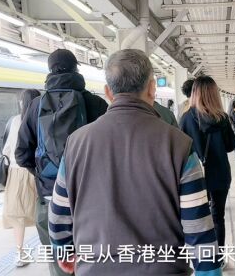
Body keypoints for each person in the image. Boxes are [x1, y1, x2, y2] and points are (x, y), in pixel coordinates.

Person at [48, 49, 222, 275]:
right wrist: (209, 272)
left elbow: (58, 216)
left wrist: (64, 250)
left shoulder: (76, 144)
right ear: (151, 88)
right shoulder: (179, 145)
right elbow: (198, 227)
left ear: (108, 92)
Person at [16, 49, 108, 276]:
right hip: (91, 197)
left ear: (49, 70)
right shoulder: (95, 103)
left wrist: (45, 174)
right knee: (95, 260)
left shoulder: (36, 106)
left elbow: (21, 154)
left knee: (60, 265)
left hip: (49, 198)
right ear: (77, 69)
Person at [180, 76, 235, 253]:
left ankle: (202, 256)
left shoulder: (187, 118)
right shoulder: (222, 118)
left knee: (196, 218)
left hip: (195, 177)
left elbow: (181, 149)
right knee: (218, 217)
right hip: (220, 174)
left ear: (195, 93)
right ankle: (218, 257)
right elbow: (230, 146)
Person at [2, 89, 40, 267]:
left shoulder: (16, 120)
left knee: (18, 216)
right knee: (42, 211)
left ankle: (20, 253)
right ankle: (49, 248)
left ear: (22, 103)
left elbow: (7, 150)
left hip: (17, 172)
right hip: (38, 171)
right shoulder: (41, 117)